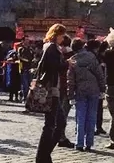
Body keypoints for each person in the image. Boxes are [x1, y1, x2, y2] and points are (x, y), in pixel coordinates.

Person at [36, 24, 67, 163]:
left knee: (58, 122)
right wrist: (67, 64)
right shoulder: (52, 48)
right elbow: (53, 67)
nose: (63, 38)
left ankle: (44, 155)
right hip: (51, 90)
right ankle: (42, 156)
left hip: (53, 89)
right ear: (57, 34)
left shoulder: (49, 47)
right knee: (52, 124)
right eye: (62, 35)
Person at [68, 38, 105, 151]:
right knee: (92, 116)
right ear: (83, 46)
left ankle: (79, 143)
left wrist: (70, 95)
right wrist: (102, 89)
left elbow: (71, 81)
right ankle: (89, 143)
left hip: (80, 91)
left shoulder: (72, 61)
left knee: (80, 117)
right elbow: (99, 74)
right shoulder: (92, 57)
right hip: (94, 90)